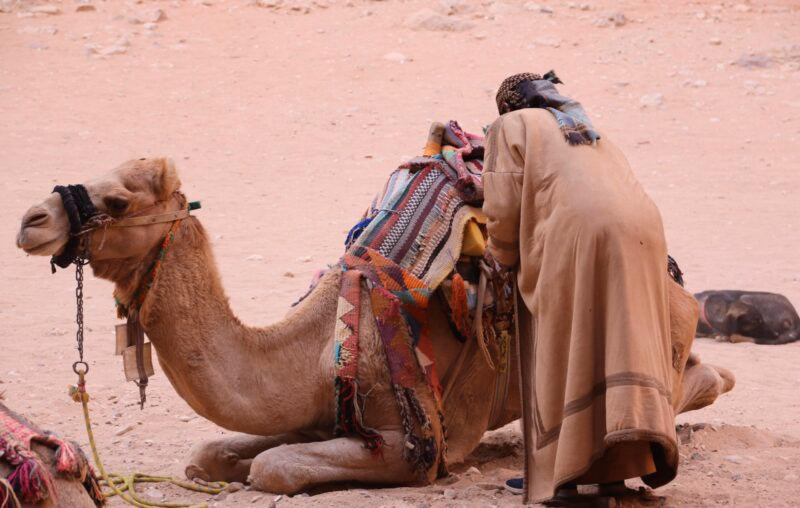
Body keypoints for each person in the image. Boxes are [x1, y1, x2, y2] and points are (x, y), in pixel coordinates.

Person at [483, 73, 679, 504]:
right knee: (618, 343)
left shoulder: (511, 128)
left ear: (507, 107)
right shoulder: (588, 127)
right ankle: (616, 473)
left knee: (567, 348)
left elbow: (501, 204)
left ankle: (565, 478)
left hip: (582, 234)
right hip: (643, 232)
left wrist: (499, 256)